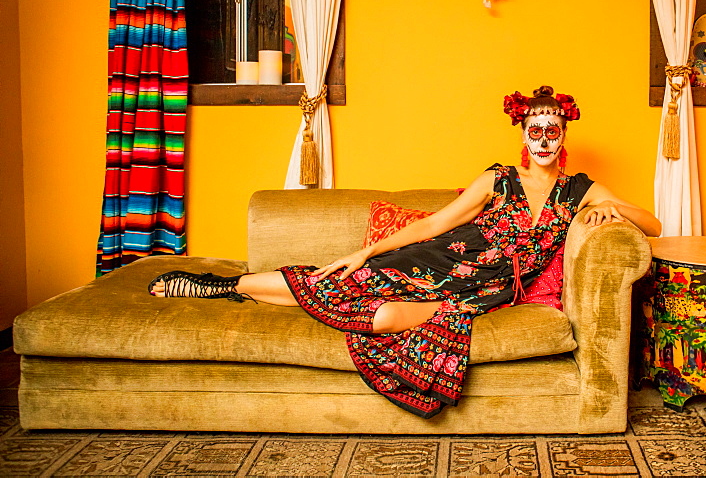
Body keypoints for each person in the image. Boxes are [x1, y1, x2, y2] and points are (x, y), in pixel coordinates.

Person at [149, 86, 661, 417]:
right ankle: (222, 286)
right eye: (536, 131)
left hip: (483, 291)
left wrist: (610, 212)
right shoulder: (498, 177)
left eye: (553, 131)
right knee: (342, 280)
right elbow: (436, 224)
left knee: (386, 317)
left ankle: (250, 292)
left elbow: (653, 222)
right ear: (523, 135)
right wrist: (366, 250)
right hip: (440, 259)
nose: (545, 139)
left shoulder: (580, 189)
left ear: (564, 134)